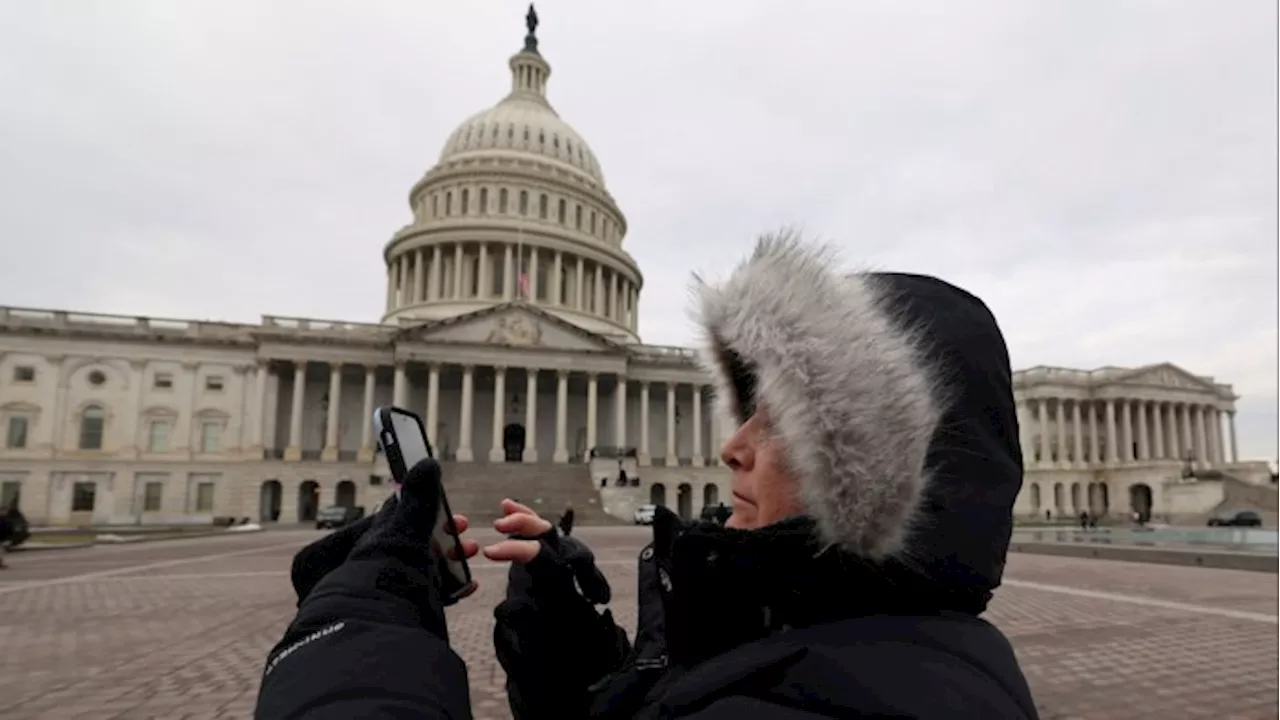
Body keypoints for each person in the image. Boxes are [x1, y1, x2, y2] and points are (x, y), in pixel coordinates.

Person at [255, 233, 1039, 718]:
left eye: (782, 421)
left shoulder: (846, 681)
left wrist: (355, 637)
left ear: (876, 476)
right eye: (745, 410)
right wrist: (563, 635)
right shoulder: (827, 639)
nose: (732, 445)